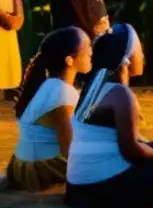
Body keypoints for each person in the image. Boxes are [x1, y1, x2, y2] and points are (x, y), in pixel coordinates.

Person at [65, 23, 153, 208]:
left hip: (77, 189)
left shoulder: (92, 87)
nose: (142, 56)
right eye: (139, 51)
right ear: (126, 59)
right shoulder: (120, 94)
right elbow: (130, 150)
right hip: (104, 190)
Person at [6, 28, 92, 191]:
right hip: (42, 168)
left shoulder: (50, 86)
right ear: (69, 60)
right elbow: (71, 151)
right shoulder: (61, 93)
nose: (91, 51)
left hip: (23, 164)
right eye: (87, 46)